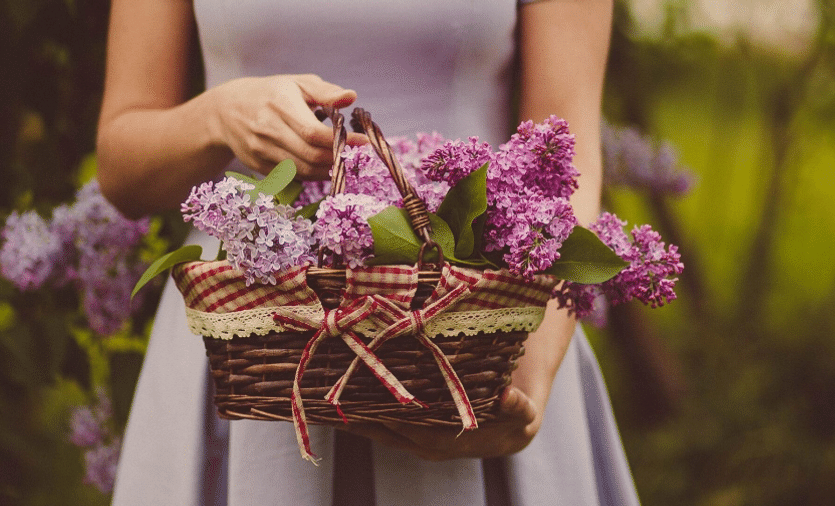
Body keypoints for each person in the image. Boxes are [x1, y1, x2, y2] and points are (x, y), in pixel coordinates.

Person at [97, 0, 640, 504]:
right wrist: (215, 119)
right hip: (249, 329)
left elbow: (567, 160)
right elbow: (123, 168)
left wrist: (524, 385)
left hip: (479, 328)